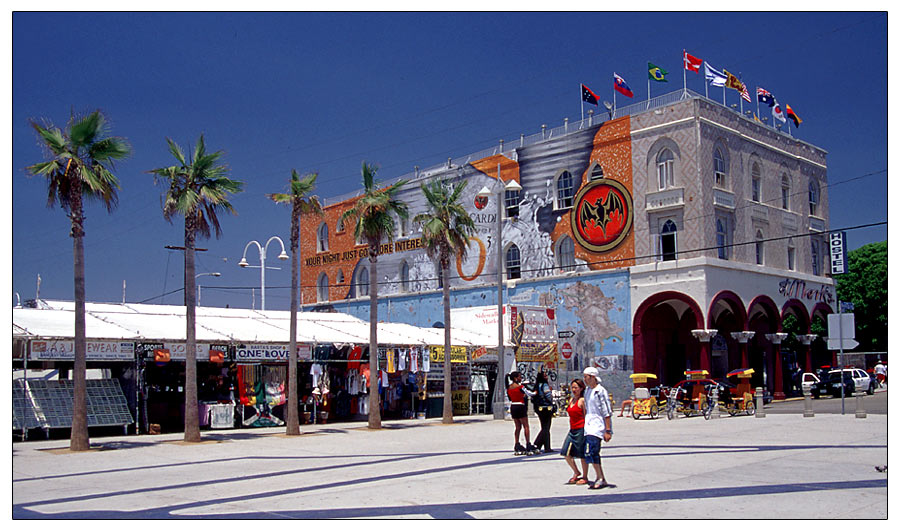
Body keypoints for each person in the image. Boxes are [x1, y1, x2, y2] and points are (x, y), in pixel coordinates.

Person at [582, 366, 614, 490]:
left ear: (593, 377)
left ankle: (599, 478)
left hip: (598, 426)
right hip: (588, 426)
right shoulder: (588, 391)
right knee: (589, 452)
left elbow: (607, 412)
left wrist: (607, 430)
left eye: (586, 377)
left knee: (593, 451)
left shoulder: (600, 391)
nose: (584, 379)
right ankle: (601, 477)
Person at [560, 378, 588, 485]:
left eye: (576, 387)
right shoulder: (571, 400)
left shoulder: (582, 401)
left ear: (581, 388)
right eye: (572, 387)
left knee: (582, 454)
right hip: (572, 429)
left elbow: (586, 416)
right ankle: (576, 472)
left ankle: (585, 476)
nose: (573, 389)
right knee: (566, 452)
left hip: (581, 429)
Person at [507, 371, 537, 455]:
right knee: (526, 426)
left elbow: (510, 397)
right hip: (520, 406)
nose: (521, 378)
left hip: (513, 406)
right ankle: (528, 444)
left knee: (517, 427)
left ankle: (516, 444)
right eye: (520, 377)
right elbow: (529, 393)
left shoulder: (509, 387)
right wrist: (536, 392)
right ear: (516, 378)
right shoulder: (520, 387)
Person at [532, 370, 555, 453]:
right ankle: (538, 444)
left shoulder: (537, 385)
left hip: (539, 408)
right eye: (545, 376)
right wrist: (551, 401)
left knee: (544, 427)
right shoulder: (545, 385)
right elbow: (548, 396)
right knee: (546, 427)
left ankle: (544, 446)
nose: (547, 377)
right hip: (546, 408)